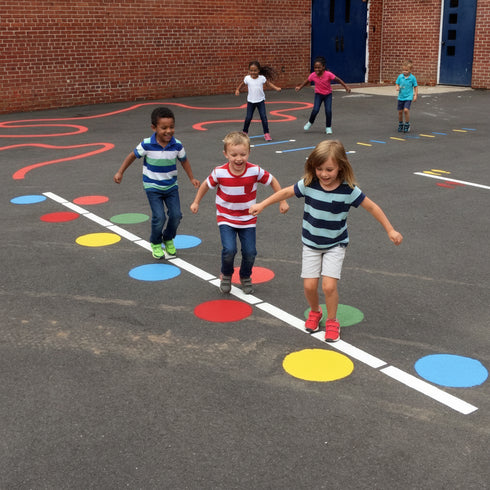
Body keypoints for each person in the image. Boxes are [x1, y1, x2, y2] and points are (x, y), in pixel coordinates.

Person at [249, 140, 403, 342]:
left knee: (328, 286)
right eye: (319, 168)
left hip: (335, 244)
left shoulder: (349, 190)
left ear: (341, 167)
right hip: (311, 243)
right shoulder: (308, 184)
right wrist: (263, 204)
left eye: (329, 169)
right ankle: (315, 312)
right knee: (310, 286)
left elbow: (372, 207)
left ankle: (332, 321)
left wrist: (390, 229)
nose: (324, 174)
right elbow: (286, 191)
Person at [190, 131, 289, 294]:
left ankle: (245, 276)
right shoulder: (219, 172)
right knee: (229, 249)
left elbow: (272, 181)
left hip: (248, 219)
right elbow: (206, 185)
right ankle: (227, 275)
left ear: (249, 152)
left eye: (243, 154)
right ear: (226, 154)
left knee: (250, 252)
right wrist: (196, 202)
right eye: (233, 154)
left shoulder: (254, 171)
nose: (238, 158)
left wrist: (283, 201)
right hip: (226, 217)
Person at [114, 106, 200, 259]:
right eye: (164, 128)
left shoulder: (177, 145)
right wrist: (120, 172)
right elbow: (131, 156)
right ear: (154, 127)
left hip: (171, 186)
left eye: (171, 127)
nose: (168, 131)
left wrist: (192, 178)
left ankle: (167, 238)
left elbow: (184, 161)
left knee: (176, 215)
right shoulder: (146, 144)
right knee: (159, 216)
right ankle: (155, 242)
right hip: (152, 186)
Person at [295, 56, 351, 135]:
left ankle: (328, 127)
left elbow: (338, 79)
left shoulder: (328, 74)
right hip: (318, 95)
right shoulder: (313, 75)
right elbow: (306, 81)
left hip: (328, 95)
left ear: (323, 67)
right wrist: (300, 87)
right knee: (315, 110)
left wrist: (346, 87)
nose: (317, 69)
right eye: (315, 67)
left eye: (319, 67)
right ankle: (310, 122)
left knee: (328, 111)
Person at [235, 61, 282, 142]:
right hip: (251, 101)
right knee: (248, 117)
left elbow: (269, 84)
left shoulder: (262, 78)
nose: (253, 72)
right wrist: (237, 89)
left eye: (255, 70)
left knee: (263, 117)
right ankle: (244, 132)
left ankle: (266, 133)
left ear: (259, 70)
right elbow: (242, 84)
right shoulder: (247, 78)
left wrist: (276, 88)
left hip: (260, 101)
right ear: (248, 71)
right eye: (251, 71)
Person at [395, 60, 418, 133]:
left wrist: (415, 95)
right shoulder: (400, 76)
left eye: (406, 70)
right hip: (401, 97)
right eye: (403, 70)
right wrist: (397, 87)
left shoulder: (412, 78)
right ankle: (400, 123)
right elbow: (397, 83)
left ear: (410, 70)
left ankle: (407, 124)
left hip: (408, 97)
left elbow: (415, 86)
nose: (404, 71)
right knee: (400, 112)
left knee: (406, 110)